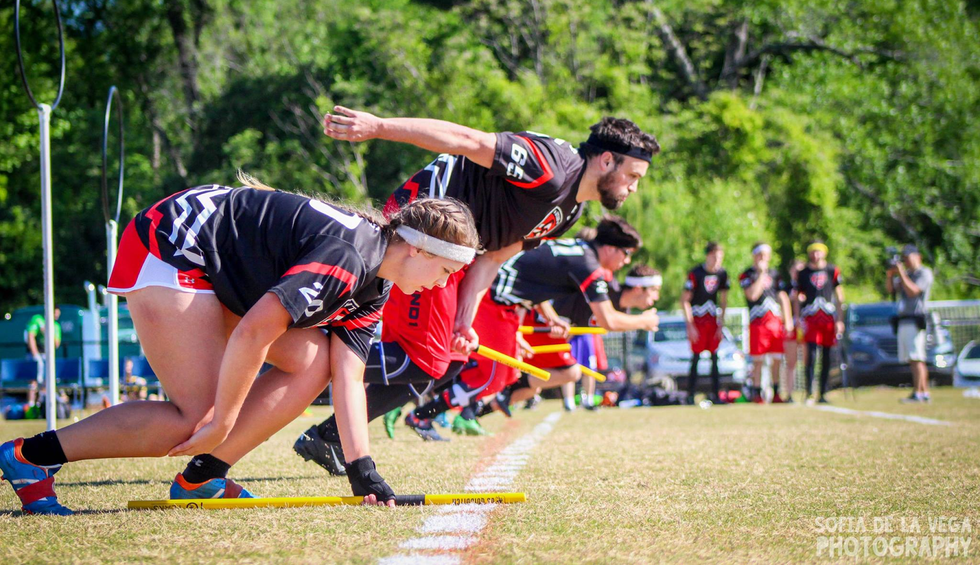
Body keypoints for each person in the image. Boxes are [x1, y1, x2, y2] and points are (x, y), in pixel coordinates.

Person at [0, 177, 479, 515]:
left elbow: (348, 376)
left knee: (314, 364)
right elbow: (254, 332)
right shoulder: (350, 257)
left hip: (216, 264)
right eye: (445, 272)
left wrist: (363, 468)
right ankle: (29, 457)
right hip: (171, 245)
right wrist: (223, 420)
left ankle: (201, 477)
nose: (441, 287)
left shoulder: (376, 283)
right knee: (196, 419)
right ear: (417, 249)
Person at [295, 110, 660, 472]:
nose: (633, 187)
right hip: (424, 235)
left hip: (454, 255)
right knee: (426, 359)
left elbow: (492, 259)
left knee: (446, 361)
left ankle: (329, 435)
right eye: (632, 175)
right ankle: (301, 357)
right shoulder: (553, 166)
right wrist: (378, 127)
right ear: (607, 160)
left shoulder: (570, 211)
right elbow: (468, 140)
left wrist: (463, 323)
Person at [404, 216, 659, 436]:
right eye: (626, 254)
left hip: (506, 304)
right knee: (492, 376)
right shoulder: (588, 265)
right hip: (494, 298)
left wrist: (548, 315)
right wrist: (645, 321)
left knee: (500, 374)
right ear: (611, 249)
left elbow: (534, 277)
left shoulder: (578, 249)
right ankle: (421, 413)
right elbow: (608, 320)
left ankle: (432, 408)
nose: (625, 262)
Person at [504, 264, 662, 412]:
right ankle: (501, 392)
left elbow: (614, 322)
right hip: (535, 322)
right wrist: (643, 321)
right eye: (654, 290)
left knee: (535, 386)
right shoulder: (605, 284)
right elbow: (610, 321)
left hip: (551, 332)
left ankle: (494, 400)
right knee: (566, 373)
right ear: (638, 288)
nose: (656, 297)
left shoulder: (621, 307)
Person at [739, 244, 793, 403]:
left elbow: (782, 297)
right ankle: (757, 393)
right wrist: (761, 274)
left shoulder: (776, 274)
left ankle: (776, 392)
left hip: (775, 323)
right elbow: (752, 296)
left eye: (766, 254)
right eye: (760, 254)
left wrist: (788, 321)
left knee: (777, 359)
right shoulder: (747, 275)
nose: (763, 258)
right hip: (758, 323)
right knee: (758, 360)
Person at [793, 242, 845, 404]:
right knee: (812, 355)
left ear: (824, 253)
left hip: (828, 319)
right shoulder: (803, 273)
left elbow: (839, 296)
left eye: (818, 252)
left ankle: (823, 392)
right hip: (810, 318)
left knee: (827, 357)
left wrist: (840, 320)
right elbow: (796, 297)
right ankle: (809, 391)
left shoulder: (832, 270)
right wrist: (797, 318)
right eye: (813, 252)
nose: (816, 255)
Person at [682, 242, 729, 404]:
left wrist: (721, 324)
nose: (717, 260)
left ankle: (716, 394)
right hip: (698, 319)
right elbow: (685, 301)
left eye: (720, 257)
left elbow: (723, 301)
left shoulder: (722, 274)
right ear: (708, 255)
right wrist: (690, 325)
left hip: (712, 320)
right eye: (715, 256)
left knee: (714, 357)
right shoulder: (696, 273)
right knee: (696, 357)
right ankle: (690, 395)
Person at [887, 244, 934, 403]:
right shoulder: (906, 274)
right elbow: (890, 290)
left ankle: (922, 392)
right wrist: (890, 275)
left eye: (908, 257)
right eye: (904, 258)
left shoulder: (924, 273)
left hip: (916, 318)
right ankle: (919, 392)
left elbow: (912, 291)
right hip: (904, 319)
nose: (906, 261)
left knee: (918, 358)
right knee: (911, 359)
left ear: (918, 256)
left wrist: (901, 273)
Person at [24, 307, 62, 407]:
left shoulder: (56, 326)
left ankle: (43, 404)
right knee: (33, 380)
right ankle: (31, 404)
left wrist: (47, 332)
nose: (56, 316)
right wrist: (35, 354)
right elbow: (30, 336)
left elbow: (56, 344)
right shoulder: (37, 319)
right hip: (35, 354)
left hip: (47, 355)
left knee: (47, 379)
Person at [781, 259, 806, 402]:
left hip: (805, 326)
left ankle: (809, 392)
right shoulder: (786, 288)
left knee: (808, 359)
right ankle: (789, 393)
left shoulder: (807, 286)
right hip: (791, 327)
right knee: (791, 362)